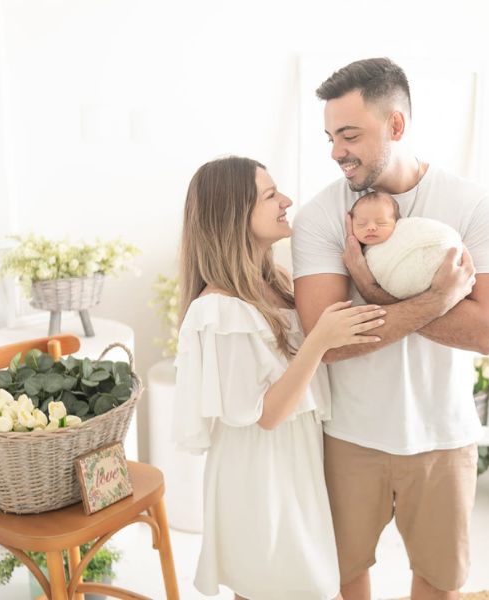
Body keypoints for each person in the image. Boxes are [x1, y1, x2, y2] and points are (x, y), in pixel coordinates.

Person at [292, 58, 489, 600]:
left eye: (349, 135)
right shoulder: (321, 217)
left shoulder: (473, 205)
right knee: (342, 577)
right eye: (330, 138)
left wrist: (372, 291)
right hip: (349, 435)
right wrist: (438, 299)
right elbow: (326, 344)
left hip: (444, 435)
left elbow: (486, 332)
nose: (336, 151)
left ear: (395, 125)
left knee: (439, 582)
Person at [172, 156, 386, 600]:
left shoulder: (280, 282)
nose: (286, 201)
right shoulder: (218, 310)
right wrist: (319, 340)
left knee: (299, 582)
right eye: (271, 195)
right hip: (258, 473)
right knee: (276, 583)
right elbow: (266, 414)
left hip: (294, 461)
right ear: (234, 214)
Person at [350, 191, 467, 300]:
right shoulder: (356, 256)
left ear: (397, 222)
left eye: (381, 223)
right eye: (361, 224)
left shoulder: (405, 231)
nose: (371, 228)